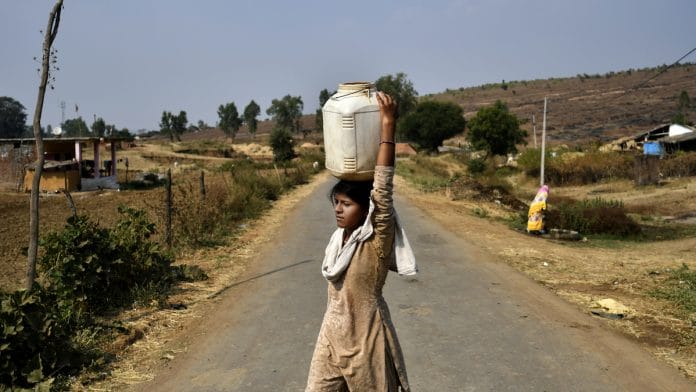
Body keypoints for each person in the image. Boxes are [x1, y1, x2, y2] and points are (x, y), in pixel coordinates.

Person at [305, 92, 414, 391]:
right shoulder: (338, 240)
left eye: (346, 204)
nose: (338, 210)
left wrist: (388, 123)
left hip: (367, 342)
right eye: (336, 202)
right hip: (331, 338)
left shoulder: (375, 238)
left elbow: (382, 186)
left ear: (366, 209)